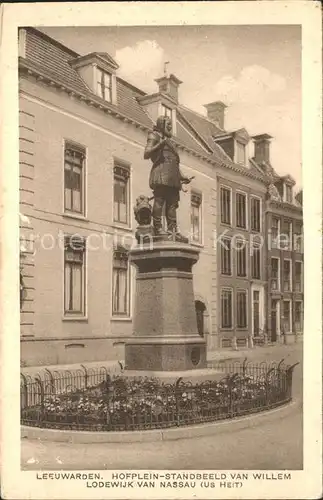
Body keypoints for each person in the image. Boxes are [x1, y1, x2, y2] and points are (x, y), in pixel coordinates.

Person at [144, 115, 192, 241]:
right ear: (161, 125)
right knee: (159, 201)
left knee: (172, 205)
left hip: (173, 179)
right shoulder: (154, 136)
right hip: (161, 175)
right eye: (168, 125)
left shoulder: (171, 143)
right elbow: (147, 153)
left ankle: (172, 230)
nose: (170, 128)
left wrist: (182, 177)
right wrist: (161, 144)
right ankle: (158, 228)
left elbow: (174, 163)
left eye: (171, 125)